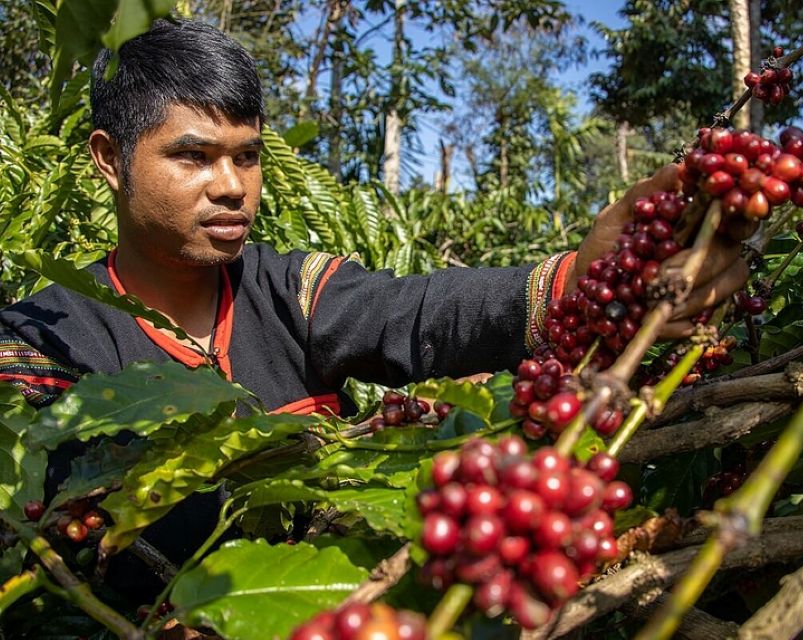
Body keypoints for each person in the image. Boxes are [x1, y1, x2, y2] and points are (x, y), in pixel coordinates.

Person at [0, 19, 747, 601]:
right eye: (194, 157)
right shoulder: (41, 344)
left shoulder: (289, 291)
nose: (232, 186)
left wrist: (584, 278)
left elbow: (417, 313)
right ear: (108, 158)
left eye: (249, 155)